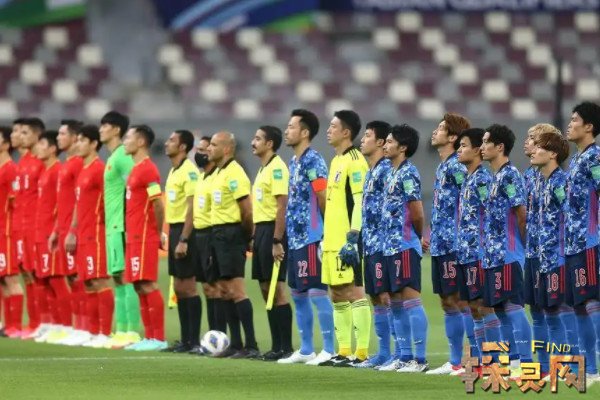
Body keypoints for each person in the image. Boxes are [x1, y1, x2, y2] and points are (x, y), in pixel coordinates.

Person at [278, 109, 335, 366]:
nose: (286, 131)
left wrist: (326, 232)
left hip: (312, 236)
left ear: (304, 132)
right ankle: (306, 349)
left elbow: (322, 196)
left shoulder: (314, 161)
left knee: (316, 292)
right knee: (298, 292)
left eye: (291, 127)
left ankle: (329, 349)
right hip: (295, 237)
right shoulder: (294, 162)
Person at [319, 110, 371, 367]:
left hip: (347, 239)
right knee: (337, 293)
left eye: (333, 126)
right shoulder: (336, 160)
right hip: (331, 240)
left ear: (346, 132)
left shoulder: (355, 160)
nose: (328, 130)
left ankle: (361, 354)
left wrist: (353, 236)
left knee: (354, 291)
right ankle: (343, 351)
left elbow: (359, 201)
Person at [480, 124, 532, 375]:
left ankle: (526, 361)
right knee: (501, 310)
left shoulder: (510, 175)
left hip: (509, 253)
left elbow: (521, 213)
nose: (482, 147)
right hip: (494, 255)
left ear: (499, 147)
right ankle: (513, 361)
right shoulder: (495, 177)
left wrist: (522, 248)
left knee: (513, 307)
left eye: (486, 142)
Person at [425, 113, 474, 375]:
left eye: (441, 128)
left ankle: (470, 360)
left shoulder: (457, 166)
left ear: (453, 137)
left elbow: (469, 204)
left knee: (461, 301)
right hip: (441, 244)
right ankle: (455, 361)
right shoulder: (444, 166)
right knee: (447, 301)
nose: (435, 131)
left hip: (456, 244)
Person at [380, 124, 429, 373]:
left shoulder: (408, 173)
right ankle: (405, 355)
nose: (385, 145)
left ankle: (420, 359)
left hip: (404, 245)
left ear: (403, 147)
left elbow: (417, 211)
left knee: (411, 299)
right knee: (395, 301)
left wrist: (417, 236)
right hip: (389, 246)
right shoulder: (391, 172)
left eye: (390, 142)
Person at [208, 131, 258, 358]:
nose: (209, 148)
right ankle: (236, 344)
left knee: (237, 290)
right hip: (217, 233)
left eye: (214, 144)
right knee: (224, 290)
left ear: (227, 149)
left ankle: (251, 345)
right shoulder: (219, 172)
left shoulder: (235, 172)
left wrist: (246, 236)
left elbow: (246, 210)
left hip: (231, 233)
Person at [455, 128, 501, 369]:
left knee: (484, 305)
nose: (459, 150)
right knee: (473, 307)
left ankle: (496, 360)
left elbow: (491, 210)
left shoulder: (482, 179)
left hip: (479, 252)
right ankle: (482, 361)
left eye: (463, 146)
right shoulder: (468, 178)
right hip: (465, 252)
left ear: (476, 150)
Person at [65, 125, 113, 348]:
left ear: (94, 144)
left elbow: (109, 200)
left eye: (82, 140)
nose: (77, 144)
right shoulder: (83, 169)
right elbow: (78, 203)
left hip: (96, 233)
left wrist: (105, 227)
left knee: (99, 280)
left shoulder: (99, 169)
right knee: (88, 282)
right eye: (77, 140)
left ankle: (105, 332)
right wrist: (73, 230)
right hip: (83, 233)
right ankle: (93, 332)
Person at [121, 125, 167, 351]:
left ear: (140, 142)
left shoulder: (148, 169)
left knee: (148, 283)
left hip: (144, 235)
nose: (124, 141)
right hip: (134, 235)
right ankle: (149, 337)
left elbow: (158, 204)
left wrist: (156, 232)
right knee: (139, 285)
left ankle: (158, 338)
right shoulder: (135, 169)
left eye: (128, 137)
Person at [529, 127, 571, 379]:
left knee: (559, 311)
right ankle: (547, 368)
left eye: (540, 147)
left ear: (553, 153)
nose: (533, 150)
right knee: (545, 311)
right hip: (541, 257)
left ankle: (569, 367)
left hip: (558, 257)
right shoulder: (539, 181)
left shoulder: (560, 183)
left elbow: (570, 217)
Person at [564, 101, 600, 383]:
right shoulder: (577, 159)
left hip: (589, 241)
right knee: (578, 305)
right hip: (573, 242)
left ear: (589, 126)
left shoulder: (595, 158)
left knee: (592, 301)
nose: (570, 124)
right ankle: (589, 369)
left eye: (575, 119)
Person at [250, 125, 293, 360]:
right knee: (265, 289)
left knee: (277, 289)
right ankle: (276, 346)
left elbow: (281, 207)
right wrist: (254, 236)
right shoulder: (262, 169)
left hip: (273, 232)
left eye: (258, 139)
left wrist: (277, 240)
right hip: (261, 231)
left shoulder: (277, 168)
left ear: (269, 144)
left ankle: (285, 347)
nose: (253, 142)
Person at [99, 111, 141, 349]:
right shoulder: (113, 156)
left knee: (125, 277)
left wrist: (130, 220)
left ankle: (131, 331)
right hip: (112, 225)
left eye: (104, 125)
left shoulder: (123, 156)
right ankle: (122, 330)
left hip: (122, 224)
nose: (101, 129)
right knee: (118, 277)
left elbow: (135, 187)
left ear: (116, 129)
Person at [355, 121, 393, 369]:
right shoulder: (371, 171)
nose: (362, 139)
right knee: (375, 297)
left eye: (367, 135)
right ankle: (383, 352)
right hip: (369, 243)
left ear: (380, 142)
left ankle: (398, 353)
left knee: (386, 296)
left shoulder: (386, 170)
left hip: (383, 244)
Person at [162, 130, 202, 353]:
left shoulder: (189, 171)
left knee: (188, 287)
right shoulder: (173, 170)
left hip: (186, 232)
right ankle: (185, 340)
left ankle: (193, 341)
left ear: (183, 147)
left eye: (172, 140)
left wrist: (184, 239)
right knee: (178, 287)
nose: (166, 143)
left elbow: (192, 208)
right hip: (175, 229)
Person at [49, 120, 86, 345]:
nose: (58, 137)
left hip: (76, 231)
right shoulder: (67, 164)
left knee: (78, 278)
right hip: (63, 229)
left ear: (74, 138)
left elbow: (80, 201)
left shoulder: (79, 164)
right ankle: (76, 326)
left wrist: (73, 230)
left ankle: (84, 328)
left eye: (63, 134)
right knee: (71, 278)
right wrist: (57, 230)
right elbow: (63, 202)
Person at [32, 130, 71, 344]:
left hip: (51, 233)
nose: (37, 149)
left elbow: (61, 204)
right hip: (41, 232)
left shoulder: (57, 170)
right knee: (44, 279)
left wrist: (56, 230)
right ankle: (53, 325)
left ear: (52, 149)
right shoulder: (45, 171)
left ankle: (65, 326)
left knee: (56, 279)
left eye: (41, 145)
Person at [191, 135, 226, 351]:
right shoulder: (201, 177)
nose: (201, 154)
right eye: (199, 150)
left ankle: (220, 336)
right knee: (207, 288)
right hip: (200, 235)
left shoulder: (217, 177)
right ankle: (213, 336)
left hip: (213, 234)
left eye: (205, 149)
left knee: (218, 288)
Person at [522, 124, 550, 374]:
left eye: (532, 139)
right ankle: (542, 364)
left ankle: (572, 361)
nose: (527, 142)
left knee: (555, 308)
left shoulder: (554, 178)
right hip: (531, 251)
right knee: (536, 309)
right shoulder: (528, 175)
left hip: (550, 252)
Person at [17, 118, 46, 340]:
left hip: (38, 228)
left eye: (25, 133)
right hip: (23, 228)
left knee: (41, 276)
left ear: (37, 135)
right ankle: (35, 323)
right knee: (28, 275)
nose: (20, 136)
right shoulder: (24, 162)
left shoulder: (41, 163)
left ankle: (46, 323)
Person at [0, 126, 24, 338]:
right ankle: (7, 326)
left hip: (6, 232)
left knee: (11, 279)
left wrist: (15, 232)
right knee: (2, 279)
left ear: (6, 144)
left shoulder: (10, 170)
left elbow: (17, 204)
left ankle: (16, 326)